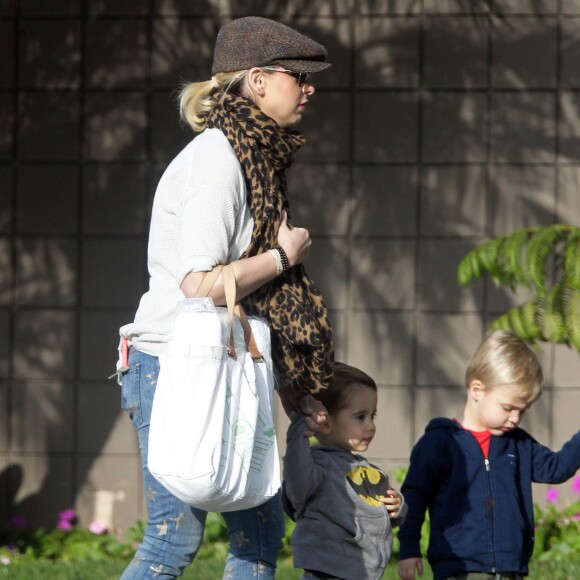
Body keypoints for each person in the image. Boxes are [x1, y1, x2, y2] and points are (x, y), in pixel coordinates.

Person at [117, 16, 335, 579]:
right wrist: (283, 257)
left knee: (259, 536)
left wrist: (284, 381)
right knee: (173, 541)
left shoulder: (256, 155)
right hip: (174, 364)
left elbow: (245, 298)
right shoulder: (219, 161)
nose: (309, 88)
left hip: (226, 360)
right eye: (298, 76)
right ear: (258, 80)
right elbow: (198, 284)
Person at [397, 330, 580, 580]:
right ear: (477, 389)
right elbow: (415, 498)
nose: (515, 418)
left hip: (509, 571)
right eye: (508, 408)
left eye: (522, 411)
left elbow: (556, 468)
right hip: (458, 570)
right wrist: (408, 549)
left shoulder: (518, 444)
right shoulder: (439, 443)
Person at [283, 362, 407, 580]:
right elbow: (297, 488)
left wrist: (398, 506)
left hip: (362, 571)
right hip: (328, 570)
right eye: (360, 417)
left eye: (372, 416)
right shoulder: (316, 465)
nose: (371, 425)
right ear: (326, 422)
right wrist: (300, 431)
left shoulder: (369, 469)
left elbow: (381, 512)